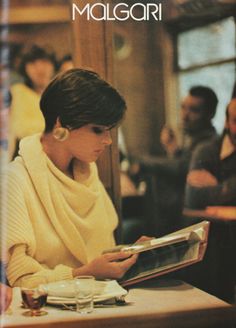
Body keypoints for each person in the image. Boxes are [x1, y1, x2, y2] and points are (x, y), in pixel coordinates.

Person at [2, 68, 140, 288]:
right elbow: (20, 280)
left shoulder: (88, 177)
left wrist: (134, 254)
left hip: (100, 306)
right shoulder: (13, 181)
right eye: (97, 130)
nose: (108, 141)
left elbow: (99, 258)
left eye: (109, 131)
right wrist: (83, 273)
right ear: (61, 125)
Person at [138, 86, 218, 235]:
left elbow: (183, 167)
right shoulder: (195, 139)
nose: (184, 116)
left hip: (191, 217)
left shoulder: (209, 143)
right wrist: (173, 149)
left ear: (210, 114)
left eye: (194, 110)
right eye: (183, 108)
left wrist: (142, 161)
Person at [185, 97, 236, 209]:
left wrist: (220, 186)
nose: (185, 116)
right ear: (226, 123)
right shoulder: (206, 151)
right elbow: (194, 198)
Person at [9, 45, 57, 159]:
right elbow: (22, 129)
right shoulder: (18, 91)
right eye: (33, 63)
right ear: (25, 68)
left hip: (55, 156)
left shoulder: (59, 92)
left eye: (44, 61)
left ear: (53, 64)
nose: (39, 68)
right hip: (27, 155)